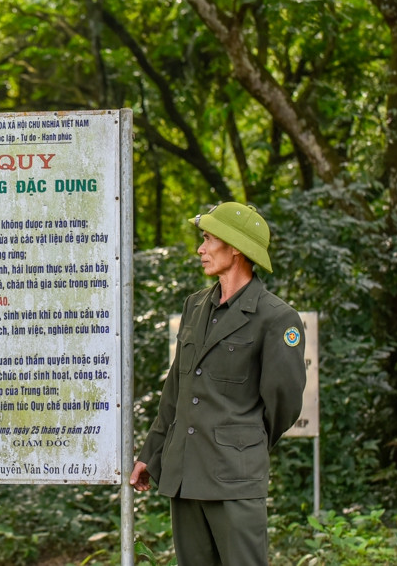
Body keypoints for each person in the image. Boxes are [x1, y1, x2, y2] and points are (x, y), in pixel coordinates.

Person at [129, 203, 306, 566]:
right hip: (185, 475)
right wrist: (151, 453)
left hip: (234, 482)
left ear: (236, 247)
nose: (201, 248)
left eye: (209, 239)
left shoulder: (276, 318)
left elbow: (284, 402)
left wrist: (243, 444)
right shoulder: (195, 306)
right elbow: (176, 390)